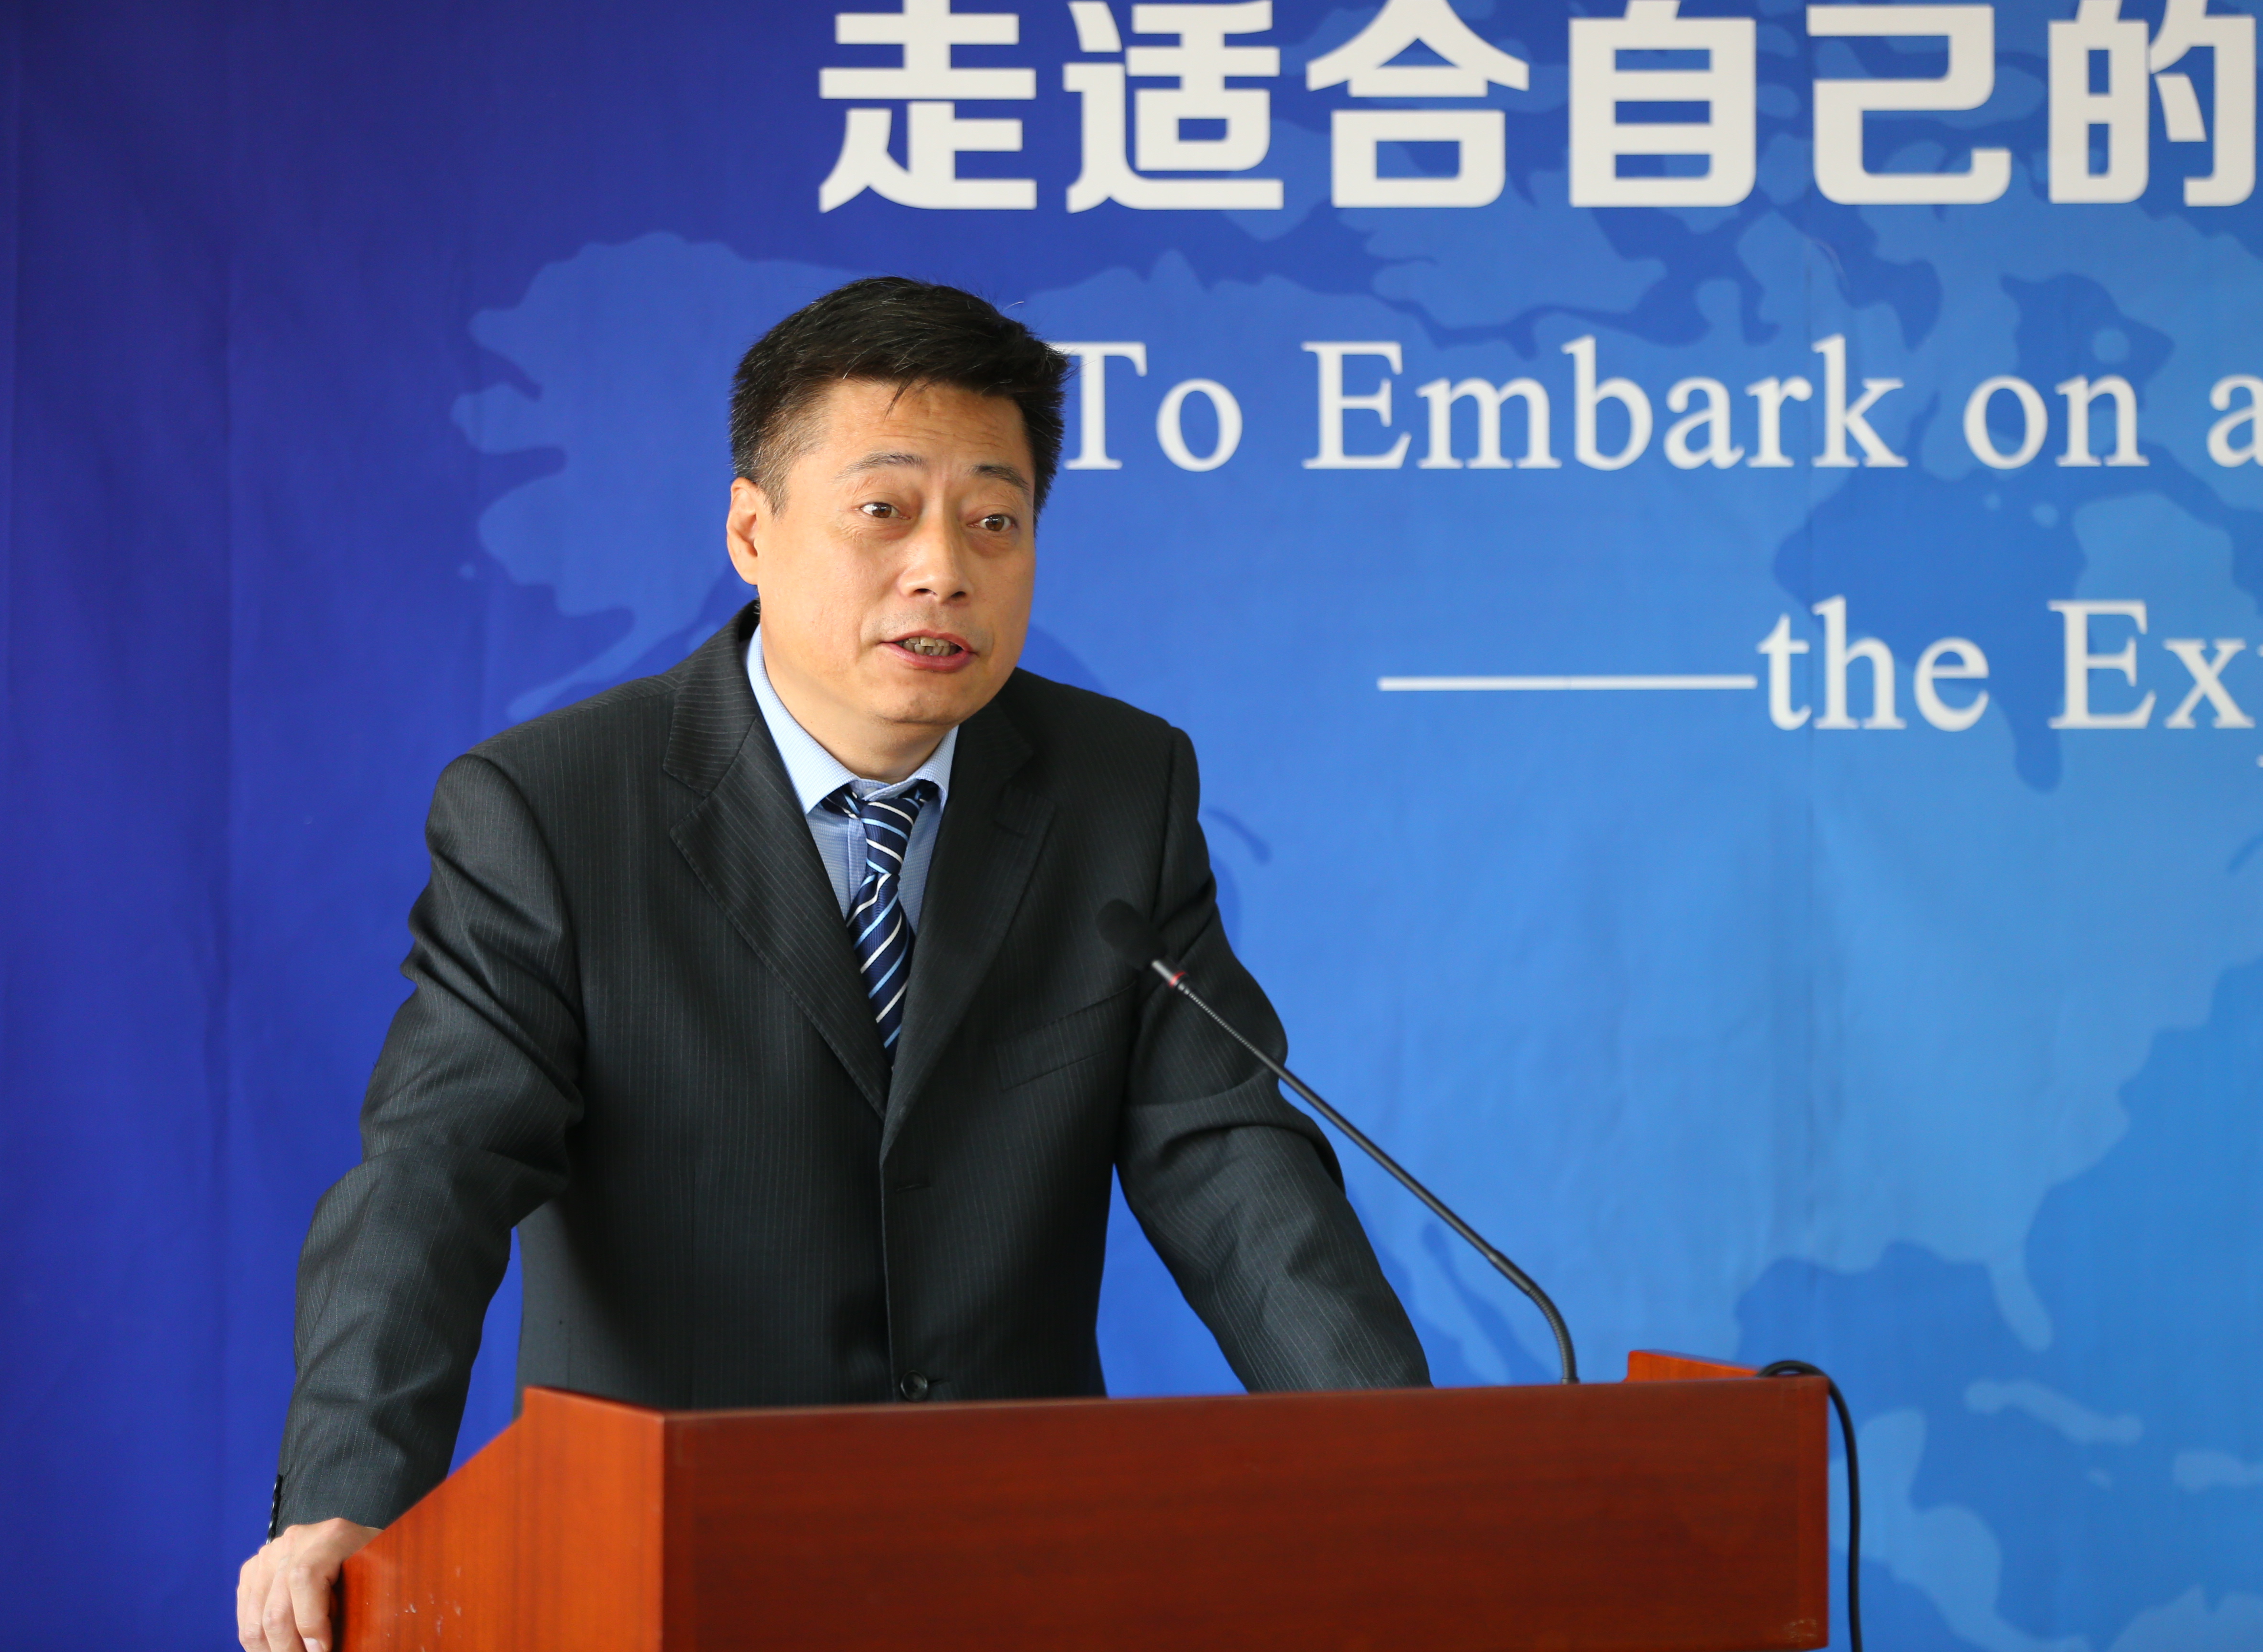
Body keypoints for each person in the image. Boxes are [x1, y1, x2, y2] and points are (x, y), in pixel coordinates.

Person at [234, 277, 1428, 1652]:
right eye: (884, 511)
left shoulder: (1116, 790)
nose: (943, 569)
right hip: (664, 1558)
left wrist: (1410, 1469)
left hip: (1016, 1565)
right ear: (752, 530)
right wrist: (349, 1499)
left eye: (995, 521)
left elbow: (1225, 1158)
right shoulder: (554, 811)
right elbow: (433, 1175)